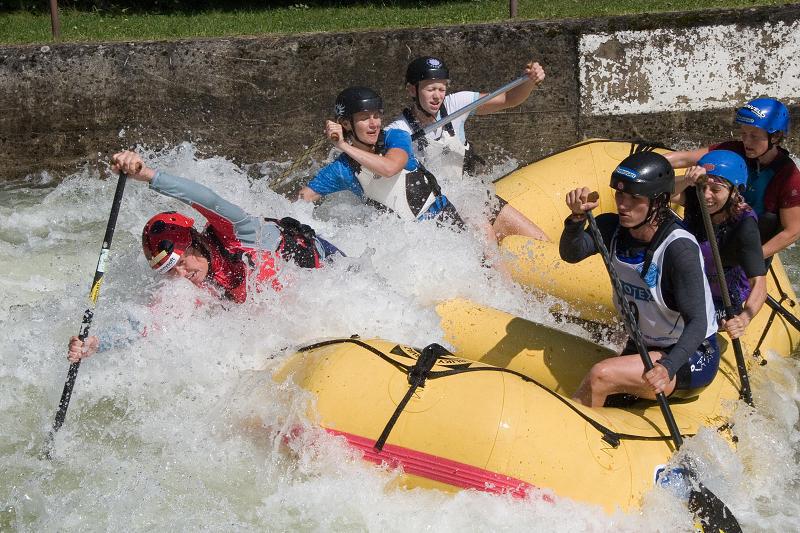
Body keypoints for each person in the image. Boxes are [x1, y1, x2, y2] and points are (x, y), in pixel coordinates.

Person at [68, 149, 342, 363]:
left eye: (181, 263)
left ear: (194, 243)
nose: (181, 274)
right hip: (290, 317)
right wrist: (96, 343)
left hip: (329, 268)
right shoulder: (194, 285)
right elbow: (147, 324)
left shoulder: (236, 232)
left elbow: (206, 199)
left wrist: (147, 175)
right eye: (170, 270)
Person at [560, 151, 718, 407]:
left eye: (635, 197)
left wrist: (667, 367)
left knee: (600, 375)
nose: (623, 204)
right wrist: (576, 219)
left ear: (658, 201)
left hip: (689, 355)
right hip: (642, 345)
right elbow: (571, 254)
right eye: (620, 195)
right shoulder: (610, 228)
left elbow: (698, 323)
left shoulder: (679, 249)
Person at [385, 56, 549, 242]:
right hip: (442, 208)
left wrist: (529, 81)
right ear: (411, 89)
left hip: (469, 194)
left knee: (540, 240)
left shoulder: (456, 104)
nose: (437, 96)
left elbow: (509, 98)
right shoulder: (398, 131)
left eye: (441, 89)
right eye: (430, 89)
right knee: (482, 228)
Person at [297, 86, 464, 228]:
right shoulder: (342, 169)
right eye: (365, 118)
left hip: (443, 220)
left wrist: (343, 145)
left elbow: (389, 168)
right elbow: (302, 200)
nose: (374, 124)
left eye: (376, 116)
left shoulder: (396, 137)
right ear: (346, 124)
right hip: (407, 240)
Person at [666, 97, 800, 261]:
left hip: (748, 248)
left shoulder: (788, 176)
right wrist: (646, 166)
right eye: (743, 134)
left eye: (754, 136)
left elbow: (793, 231)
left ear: (776, 137)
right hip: (715, 229)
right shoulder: (733, 150)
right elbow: (683, 159)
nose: (746, 142)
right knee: (697, 190)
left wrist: (752, 259)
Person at [673, 150, 767, 340]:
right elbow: (659, 192)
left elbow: (759, 282)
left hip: (722, 297)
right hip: (690, 281)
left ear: (734, 192)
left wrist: (744, 319)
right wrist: (687, 180)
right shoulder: (696, 195)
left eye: (716, 190)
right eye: (703, 186)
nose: (706, 195)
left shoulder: (744, 225)